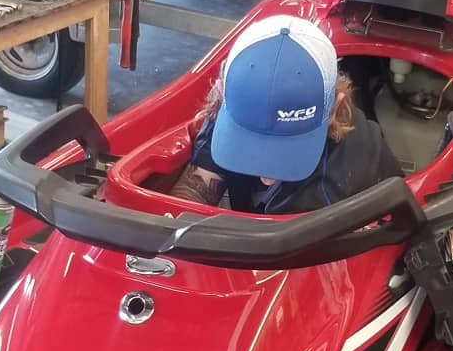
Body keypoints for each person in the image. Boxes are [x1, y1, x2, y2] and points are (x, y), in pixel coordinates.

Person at [170, 16, 404, 214]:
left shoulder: (336, 184)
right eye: (248, 137)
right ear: (222, 93)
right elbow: (194, 191)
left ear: (334, 108)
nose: (266, 177)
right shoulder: (236, 102)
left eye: (286, 148)